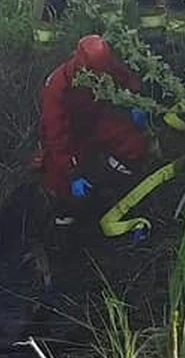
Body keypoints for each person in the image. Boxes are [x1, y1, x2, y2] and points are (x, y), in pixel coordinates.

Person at [32, 34, 152, 227]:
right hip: (69, 136)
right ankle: (65, 217)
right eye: (95, 75)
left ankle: (113, 185)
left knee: (134, 143)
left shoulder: (105, 65)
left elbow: (127, 79)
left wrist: (136, 102)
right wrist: (73, 174)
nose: (100, 79)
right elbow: (56, 137)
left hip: (96, 122)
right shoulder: (57, 88)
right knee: (59, 180)